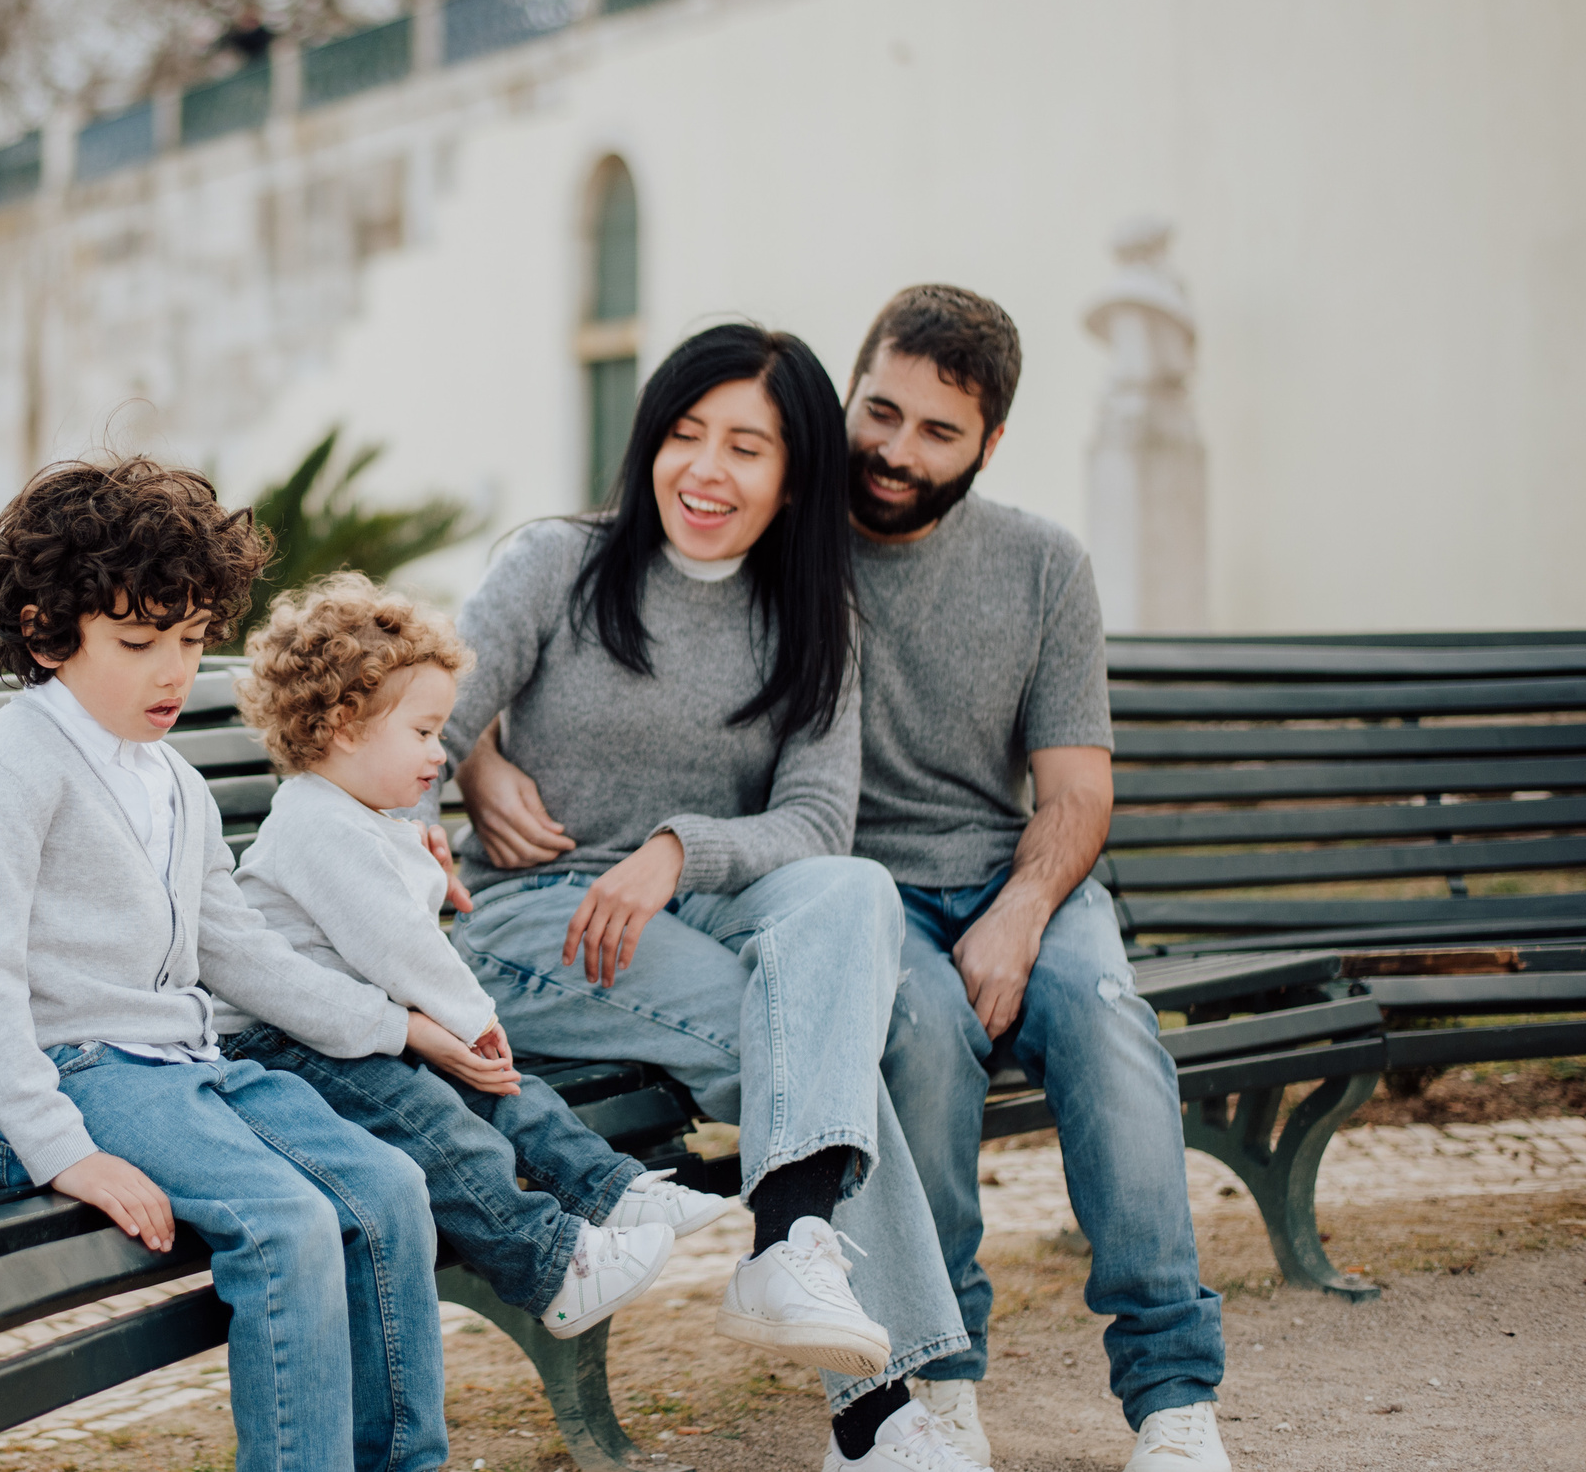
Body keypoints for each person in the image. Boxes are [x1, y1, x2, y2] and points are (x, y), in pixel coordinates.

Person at [440, 324, 984, 1472]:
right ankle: (876, 1405)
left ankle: (795, 1259)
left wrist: (675, 852)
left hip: (684, 899)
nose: (705, 469)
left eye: (746, 446)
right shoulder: (554, 563)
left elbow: (815, 824)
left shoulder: (812, 614)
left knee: (847, 890)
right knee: (804, 1039)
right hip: (539, 918)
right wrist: (469, 776)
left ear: (793, 479)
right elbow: (421, 719)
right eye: (684, 435)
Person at [0, 456, 449, 1472]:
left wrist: (395, 1022)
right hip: (40, 1082)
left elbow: (235, 946)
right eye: (139, 640)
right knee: (286, 1220)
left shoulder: (168, 777)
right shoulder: (1, 771)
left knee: (388, 1188)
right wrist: (62, 1149)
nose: (174, 669)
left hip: (173, 1070)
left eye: (194, 639)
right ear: (44, 631)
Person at [842, 286, 1230, 1472]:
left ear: (988, 443)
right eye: (880, 411)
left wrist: (1018, 912)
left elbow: (1075, 790)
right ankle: (936, 1380)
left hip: (1019, 876)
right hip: (860, 890)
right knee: (913, 1031)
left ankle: (1173, 1400)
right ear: (849, 391)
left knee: (1112, 1027)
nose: (898, 451)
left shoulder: (1043, 563)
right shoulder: (786, 541)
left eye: (937, 431)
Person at [221, 572, 732, 1341]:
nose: (441, 755)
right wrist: (473, 1024)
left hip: (369, 1025)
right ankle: (553, 1266)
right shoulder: (317, 824)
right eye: (423, 733)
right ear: (344, 725)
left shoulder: (368, 814)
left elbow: (404, 946)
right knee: (438, 1122)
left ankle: (612, 1190)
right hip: (287, 1046)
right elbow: (399, 945)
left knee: (505, 1088)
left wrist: (468, 1035)